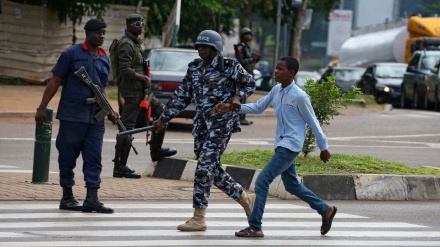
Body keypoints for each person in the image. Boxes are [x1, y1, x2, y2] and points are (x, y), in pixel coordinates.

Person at [214, 56, 337, 237]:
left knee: (262, 181)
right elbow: (257, 107)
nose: (276, 71)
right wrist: (231, 107)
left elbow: (314, 123)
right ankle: (325, 210)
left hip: (290, 145)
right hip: (282, 143)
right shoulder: (277, 90)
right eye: (276, 68)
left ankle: (255, 226)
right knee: (292, 186)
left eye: (280, 69)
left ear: (291, 73)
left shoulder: (300, 97)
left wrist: (323, 147)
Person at [152, 30, 257, 232]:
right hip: (201, 125)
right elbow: (181, 96)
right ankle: (244, 198)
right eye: (199, 46)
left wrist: (238, 97)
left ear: (215, 48)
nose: (201, 49)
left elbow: (249, 83)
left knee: (203, 168)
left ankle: (198, 217)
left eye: (205, 46)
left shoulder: (230, 66)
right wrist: (163, 119)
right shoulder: (194, 69)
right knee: (211, 169)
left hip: (221, 124)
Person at [35, 19, 116, 214]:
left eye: (104, 32)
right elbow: (55, 80)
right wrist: (42, 107)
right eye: (98, 32)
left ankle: (92, 198)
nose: (102, 36)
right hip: (73, 116)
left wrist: (111, 110)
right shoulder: (71, 54)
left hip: (95, 118)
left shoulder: (105, 58)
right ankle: (67, 197)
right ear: (87, 33)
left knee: (94, 157)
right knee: (67, 157)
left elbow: (102, 89)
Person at [113, 14, 177, 179]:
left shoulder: (135, 43)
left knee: (163, 113)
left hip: (142, 91)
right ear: (128, 26)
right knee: (126, 128)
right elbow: (125, 70)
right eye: (137, 23)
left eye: (142, 23)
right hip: (132, 92)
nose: (141, 26)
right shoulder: (126, 44)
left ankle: (156, 151)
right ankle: (119, 166)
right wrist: (143, 78)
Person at [233, 27, 260, 126]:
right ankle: (240, 118)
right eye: (246, 34)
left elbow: (252, 59)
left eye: (250, 34)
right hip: (242, 74)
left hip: (249, 72)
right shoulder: (240, 47)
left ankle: (242, 117)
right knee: (241, 95)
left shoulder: (248, 47)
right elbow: (240, 61)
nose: (248, 36)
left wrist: (256, 58)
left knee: (244, 96)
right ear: (242, 36)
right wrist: (251, 59)